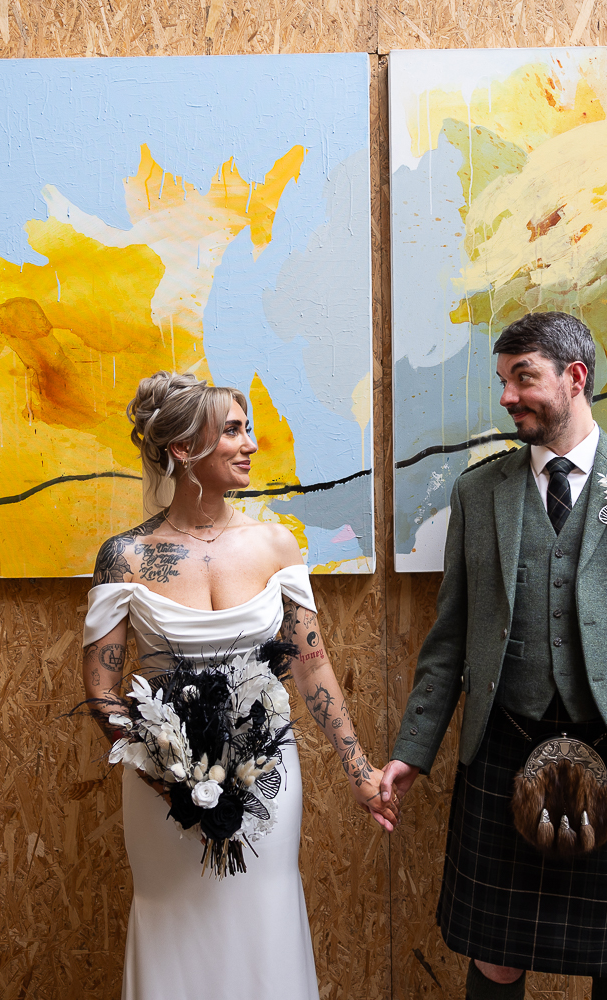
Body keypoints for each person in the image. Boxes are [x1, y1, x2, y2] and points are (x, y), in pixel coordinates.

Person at [378, 312, 607, 1000]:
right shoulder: (480, 492)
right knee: (496, 957)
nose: (507, 397)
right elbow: (449, 640)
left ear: (575, 377)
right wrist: (413, 750)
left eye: (523, 378)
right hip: (505, 745)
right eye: (503, 381)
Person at [81, 371, 395, 1000]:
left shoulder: (275, 543)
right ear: (183, 448)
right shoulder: (126, 557)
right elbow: (102, 689)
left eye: (247, 429)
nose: (250, 443)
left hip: (266, 777)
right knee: (174, 927)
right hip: (162, 788)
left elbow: (312, 666)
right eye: (232, 431)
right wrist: (168, 775)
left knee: (263, 917)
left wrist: (360, 769)